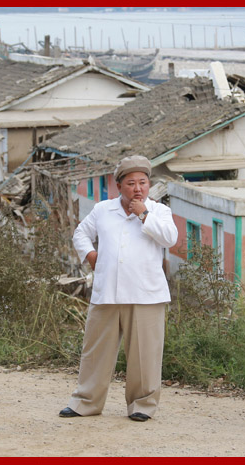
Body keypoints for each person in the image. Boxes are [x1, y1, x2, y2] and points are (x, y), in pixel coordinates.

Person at [59, 155, 178, 422]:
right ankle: (86, 402)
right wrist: (90, 255)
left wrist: (143, 214)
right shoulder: (103, 209)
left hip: (146, 295)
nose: (138, 189)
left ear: (149, 186)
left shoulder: (159, 211)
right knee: (95, 351)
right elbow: (81, 233)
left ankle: (142, 405)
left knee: (144, 355)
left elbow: (170, 238)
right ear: (119, 186)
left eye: (143, 183)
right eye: (132, 183)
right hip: (107, 294)